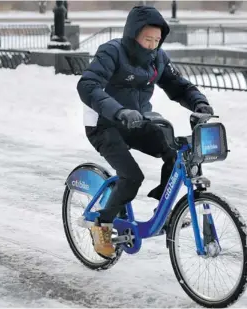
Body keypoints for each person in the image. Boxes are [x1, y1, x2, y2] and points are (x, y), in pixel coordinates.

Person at [77, 5, 213, 257]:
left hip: (137, 121)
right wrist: (118, 111)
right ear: (133, 35)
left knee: (176, 155)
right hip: (104, 124)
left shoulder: (158, 59)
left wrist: (199, 102)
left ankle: (164, 212)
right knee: (131, 177)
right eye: (147, 39)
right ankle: (102, 223)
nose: (152, 45)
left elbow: (179, 86)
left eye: (157, 40)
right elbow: (88, 85)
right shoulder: (112, 52)